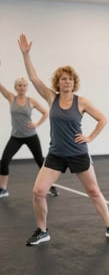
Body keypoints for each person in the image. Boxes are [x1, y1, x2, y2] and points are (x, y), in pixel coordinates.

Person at [18, 34, 109, 246]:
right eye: (64, 78)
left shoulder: (81, 101)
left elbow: (103, 119)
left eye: (71, 79)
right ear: (58, 82)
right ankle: (42, 230)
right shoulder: (51, 97)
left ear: (75, 83)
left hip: (78, 153)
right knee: (38, 192)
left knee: (94, 191)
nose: (68, 81)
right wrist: (26, 55)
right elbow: (34, 78)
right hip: (56, 153)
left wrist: (89, 137)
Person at [0, 63, 58, 198]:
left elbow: (45, 112)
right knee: (4, 160)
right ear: (15, 87)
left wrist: (36, 124)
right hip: (15, 136)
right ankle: (3, 189)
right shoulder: (11, 97)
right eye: (19, 85)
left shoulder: (31, 101)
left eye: (24, 85)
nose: (22, 87)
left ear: (27, 87)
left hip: (31, 136)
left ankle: (51, 186)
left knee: (40, 161)